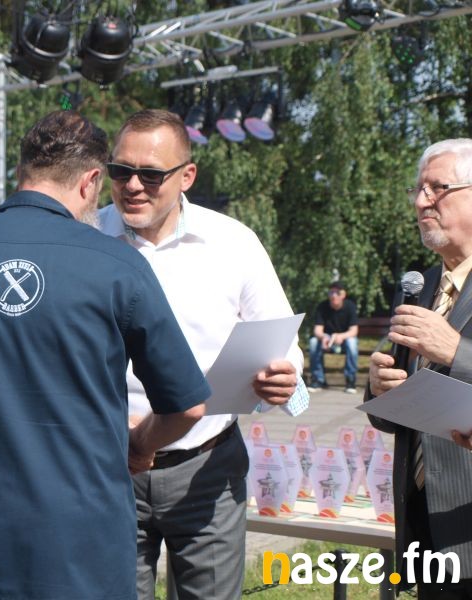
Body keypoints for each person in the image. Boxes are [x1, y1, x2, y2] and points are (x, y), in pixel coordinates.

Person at [0, 110, 211, 600]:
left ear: (20, 172)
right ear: (91, 181)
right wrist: (140, 444)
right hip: (85, 545)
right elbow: (187, 406)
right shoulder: (119, 266)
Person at [98, 108, 309, 600]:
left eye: (151, 175)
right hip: (106, 466)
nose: (133, 186)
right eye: (121, 171)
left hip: (206, 469)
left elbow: (282, 346)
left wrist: (285, 379)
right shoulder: (83, 236)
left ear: (187, 175)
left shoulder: (233, 243)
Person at [366, 138, 472, 597]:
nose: (421, 201)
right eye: (418, 189)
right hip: (424, 522)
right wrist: (379, 389)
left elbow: (452, 356)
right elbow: (395, 415)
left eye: (437, 188)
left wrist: (456, 351)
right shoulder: (418, 286)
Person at [307, 281, 359, 394]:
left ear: (343, 295)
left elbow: (354, 331)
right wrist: (323, 337)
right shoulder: (322, 306)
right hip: (327, 341)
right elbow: (317, 330)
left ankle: (351, 380)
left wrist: (342, 336)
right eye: (331, 292)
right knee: (313, 342)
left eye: (337, 293)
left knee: (352, 343)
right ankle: (318, 379)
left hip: (344, 340)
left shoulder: (350, 306)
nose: (334, 296)